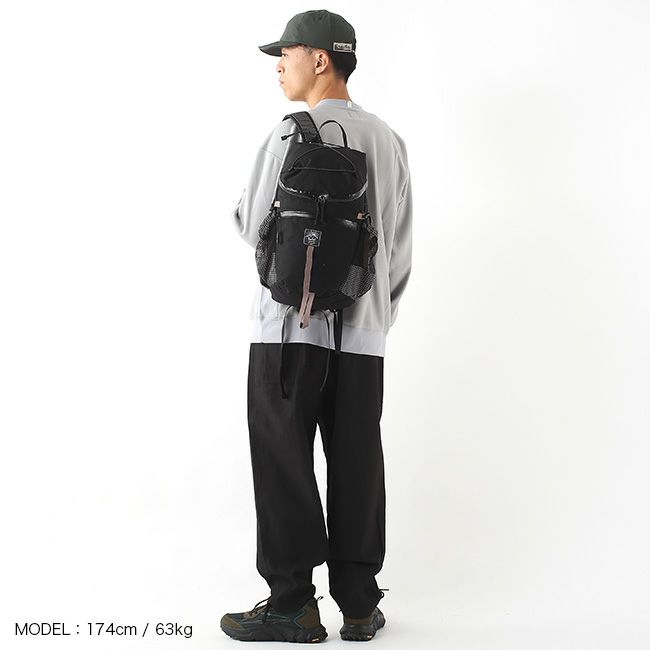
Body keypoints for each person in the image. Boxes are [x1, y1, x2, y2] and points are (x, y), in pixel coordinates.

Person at [220, 9, 413, 644]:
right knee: (357, 458)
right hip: (362, 337)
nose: (279, 66)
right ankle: (358, 605)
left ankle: (293, 606)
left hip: (285, 331)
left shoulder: (287, 133)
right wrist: (373, 319)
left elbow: (251, 224)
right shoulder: (388, 139)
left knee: (283, 457)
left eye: (288, 54)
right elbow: (399, 251)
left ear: (320, 59)